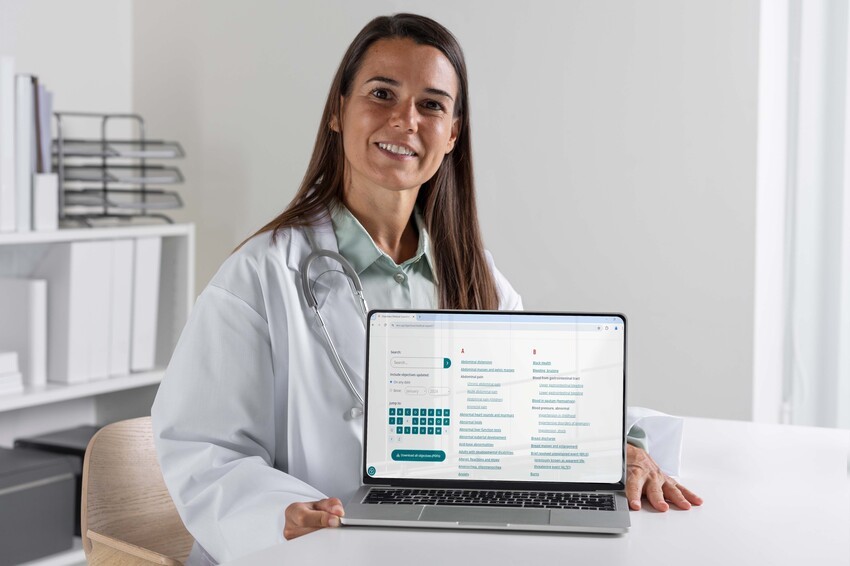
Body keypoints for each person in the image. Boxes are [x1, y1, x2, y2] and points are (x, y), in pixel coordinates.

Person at [152, 13, 702, 565]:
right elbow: (203, 448)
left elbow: (540, 403)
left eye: (432, 104)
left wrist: (625, 445)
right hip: (317, 551)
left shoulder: (474, 275)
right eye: (382, 93)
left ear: (454, 134)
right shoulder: (260, 275)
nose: (405, 120)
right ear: (339, 112)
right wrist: (277, 514)